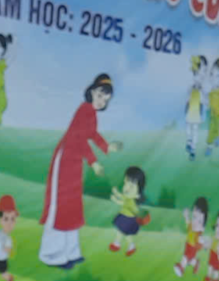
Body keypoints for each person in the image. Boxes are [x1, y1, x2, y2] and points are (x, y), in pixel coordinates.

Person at [38, 74, 117, 269]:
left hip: (75, 163)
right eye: (100, 95)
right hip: (66, 160)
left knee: (72, 206)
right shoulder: (84, 110)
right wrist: (94, 162)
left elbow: (92, 134)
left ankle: (71, 252)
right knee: (60, 206)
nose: (101, 101)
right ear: (92, 91)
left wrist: (106, 146)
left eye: (105, 100)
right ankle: (52, 254)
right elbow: (80, 138)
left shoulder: (92, 113)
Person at [108, 164, 147, 256]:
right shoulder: (128, 197)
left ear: (138, 193)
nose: (127, 188)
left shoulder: (132, 201)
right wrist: (116, 193)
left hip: (128, 219)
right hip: (124, 217)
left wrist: (115, 200)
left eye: (131, 186)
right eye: (126, 183)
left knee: (123, 232)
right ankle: (124, 245)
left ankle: (120, 244)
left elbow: (123, 203)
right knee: (124, 233)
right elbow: (123, 197)